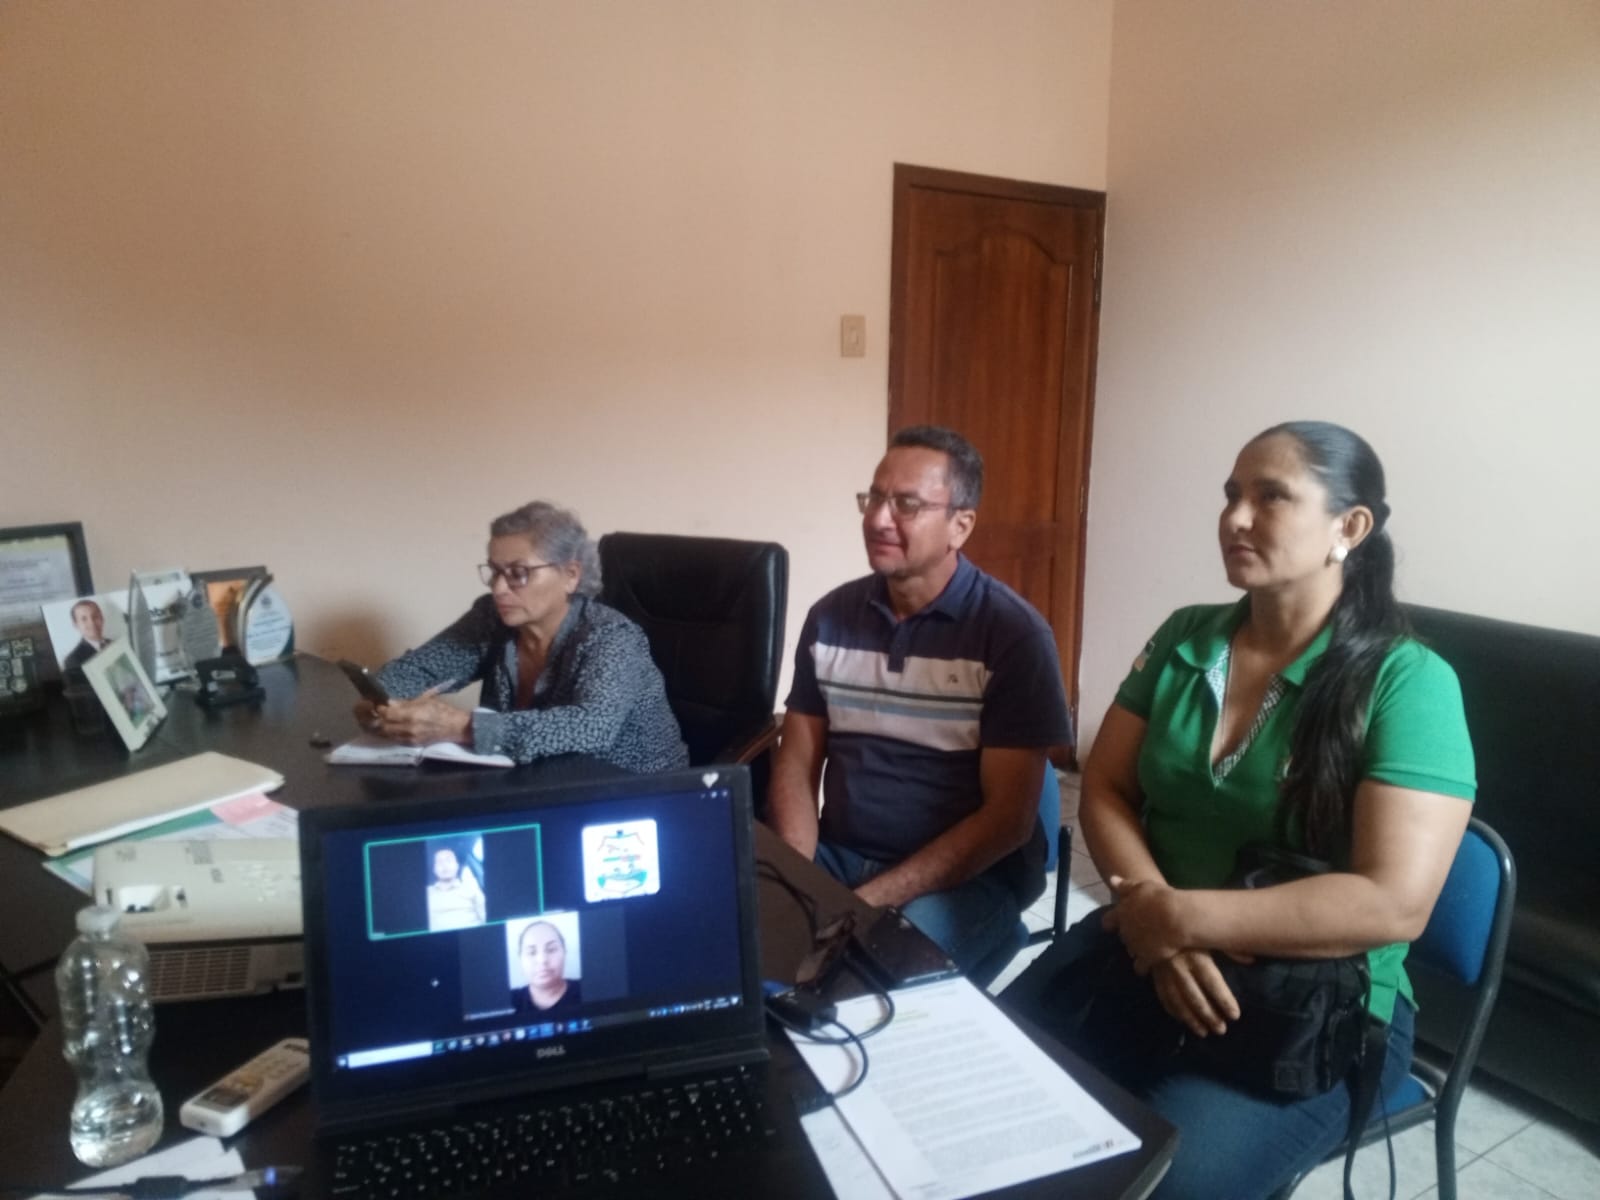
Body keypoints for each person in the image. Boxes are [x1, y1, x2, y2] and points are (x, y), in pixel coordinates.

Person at [1007, 421, 1475, 1199]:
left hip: (1313, 1003)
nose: (1235, 517)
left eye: (1271, 497)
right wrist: (1156, 922)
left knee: (1161, 1183)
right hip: (1146, 945)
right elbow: (1108, 788)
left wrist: (1179, 921)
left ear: (1349, 527)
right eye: (1231, 495)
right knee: (989, 1094)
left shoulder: (1408, 680)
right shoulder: (1187, 635)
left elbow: (1394, 902)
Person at [767, 426, 1072, 975]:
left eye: (906, 504)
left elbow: (1007, 820)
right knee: (741, 944)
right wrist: (800, 880)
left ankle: (988, 935)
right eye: (874, 498)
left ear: (961, 525)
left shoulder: (1013, 635)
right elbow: (797, 761)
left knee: (859, 978)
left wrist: (864, 905)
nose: (879, 519)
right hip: (840, 855)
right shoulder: (830, 618)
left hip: (966, 881)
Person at [356, 501, 688, 773]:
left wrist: (460, 727)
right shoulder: (491, 618)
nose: (499, 588)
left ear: (570, 575)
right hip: (539, 781)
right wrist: (383, 703)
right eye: (494, 571)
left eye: (518, 573)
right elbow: (419, 669)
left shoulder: (611, 636)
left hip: (634, 791)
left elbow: (590, 727)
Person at [510, 919, 581, 1015]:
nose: (542, 960)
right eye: (531, 953)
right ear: (520, 958)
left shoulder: (587, 989)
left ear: (565, 952)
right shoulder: (509, 1000)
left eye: (551, 950)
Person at [426, 847, 485, 931]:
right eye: (439, 862)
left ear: (457, 866)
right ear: (434, 869)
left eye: (449, 860)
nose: (445, 865)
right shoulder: (427, 893)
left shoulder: (471, 888)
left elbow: (486, 917)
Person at [62, 598, 114, 673]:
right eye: (84, 619)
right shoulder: (72, 660)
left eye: (95, 616)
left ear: (102, 618)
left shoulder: (116, 643)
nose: (92, 623)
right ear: (76, 625)